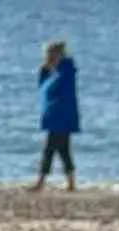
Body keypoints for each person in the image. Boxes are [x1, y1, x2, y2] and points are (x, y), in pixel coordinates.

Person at [32, 40, 80, 192]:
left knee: (50, 149)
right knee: (63, 150)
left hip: (62, 118)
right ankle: (70, 183)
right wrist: (44, 71)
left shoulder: (66, 71)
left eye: (50, 55)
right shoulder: (54, 73)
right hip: (55, 117)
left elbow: (56, 89)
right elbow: (43, 89)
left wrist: (51, 68)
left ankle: (41, 182)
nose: (48, 58)